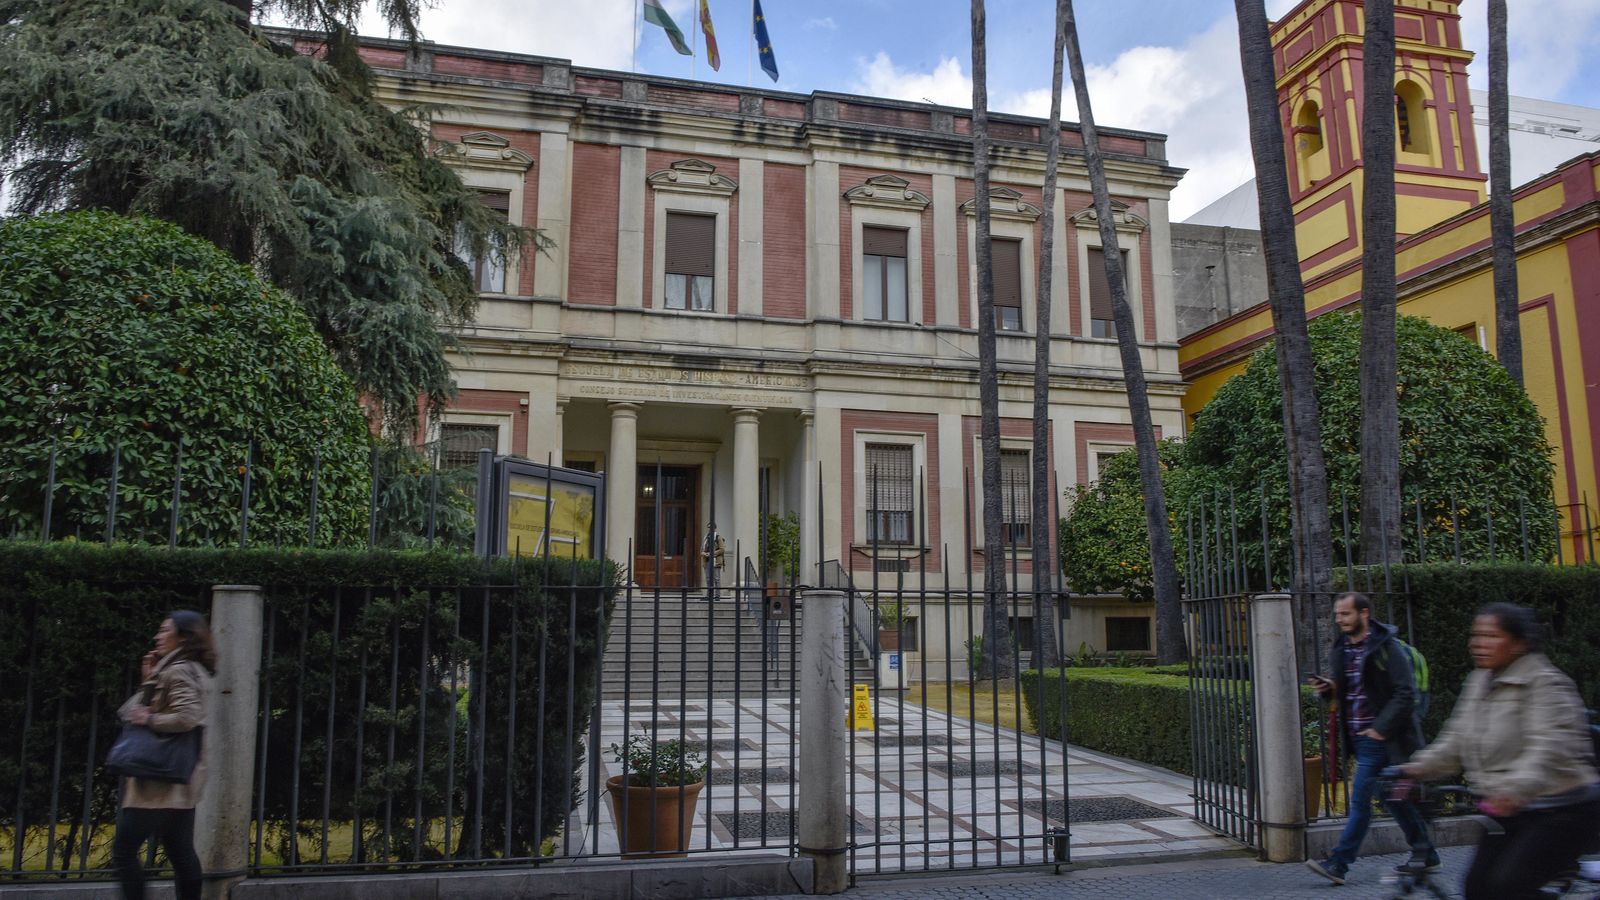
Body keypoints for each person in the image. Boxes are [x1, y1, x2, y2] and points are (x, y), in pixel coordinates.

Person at [1397, 603, 1600, 900]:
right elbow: (1456, 740)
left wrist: (1514, 790)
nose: (1478, 643)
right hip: (1508, 812)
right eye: (1476, 635)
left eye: (1491, 636)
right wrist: (1413, 769)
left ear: (1520, 643)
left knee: (1510, 887)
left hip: (1561, 809)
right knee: (1477, 890)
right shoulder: (1479, 681)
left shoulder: (1547, 683)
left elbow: (1547, 748)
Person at [1306, 591, 1437, 885]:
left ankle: (1338, 864)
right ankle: (1426, 853)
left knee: (1360, 801)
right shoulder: (1342, 648)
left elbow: (1406, 693)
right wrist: (1328, 688)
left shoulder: (1386, 648)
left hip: (1380, 737)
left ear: (1364, 614)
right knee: (1389, 797)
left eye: (1346, 614)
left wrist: (1380, 728)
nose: (1340, 619)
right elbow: (1349, 690)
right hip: (1359, 735)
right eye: (1338, 614)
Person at [111, 611, 217, 900]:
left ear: (183, 637)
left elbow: (187, 716)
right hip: (178, 778)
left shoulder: (178, 670)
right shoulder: (187, 668)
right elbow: (135, 711)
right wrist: (149, 681)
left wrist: (151, 720)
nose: (157, 637)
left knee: (123, 853)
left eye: (163, 631)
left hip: (157, 781)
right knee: (181, 852)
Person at [702, 520, 725, 601]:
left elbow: (722, 549)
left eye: (711, 528)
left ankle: (717, 595)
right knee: (708, 578)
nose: (710, 529)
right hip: (707, 560)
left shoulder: (718, 537)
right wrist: (703, 553)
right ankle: (708, 595)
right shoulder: (706, 537)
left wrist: (712, 553)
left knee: (716, 578)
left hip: (715, 560)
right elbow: (702, 548)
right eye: (709, 528)